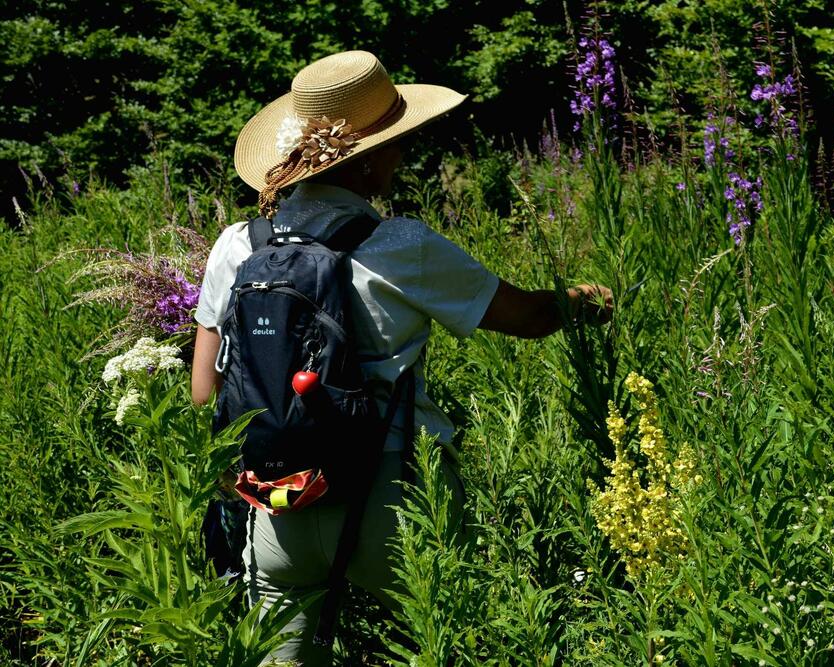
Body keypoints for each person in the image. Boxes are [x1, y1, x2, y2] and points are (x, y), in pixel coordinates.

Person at [190, 51, 612, 665]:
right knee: (451, 644)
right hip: (393, 494)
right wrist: (592, 299)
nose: (403, 155)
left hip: (273, 501)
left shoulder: (236, 245)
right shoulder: (401, 244)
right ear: (367, 161)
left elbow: (206, 391)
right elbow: (529, 318)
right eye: (397, 143)